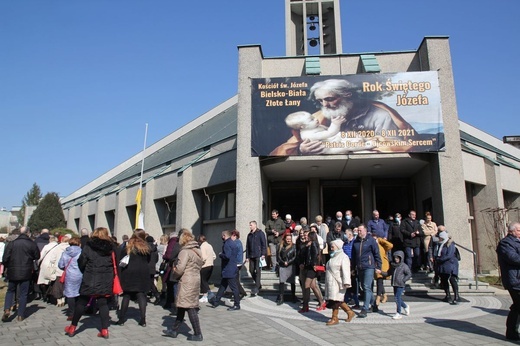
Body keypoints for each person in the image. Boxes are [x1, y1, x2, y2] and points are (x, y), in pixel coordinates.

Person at [270, 78, 414, 155]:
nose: (325, 105)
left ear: (347, 96)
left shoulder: (379, 115)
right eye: (320, 101)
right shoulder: (318, 117)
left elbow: (397, 146)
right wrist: (303, 150)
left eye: (329, 99)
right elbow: (288, 148)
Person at [64, 227, 115, 338]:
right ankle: (105, 329)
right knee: (103, 303)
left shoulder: (88, 246)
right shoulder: (111, 248)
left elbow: (82, 261)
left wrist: (85, 270)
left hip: (90, 277)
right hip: (105, 278)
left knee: (82, 302)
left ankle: (72, 327)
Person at [163, 230, 204, 341]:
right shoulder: (197, 250)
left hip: (186, 281)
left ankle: (198, 333)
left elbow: (180, 269)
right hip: (195, 279)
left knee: (190, 307)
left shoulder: (184, 251)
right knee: (182, 306)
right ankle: (174, 330)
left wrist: (175, 269)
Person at [2, 227, 40, 322]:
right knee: (23, 293)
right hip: (26, 271)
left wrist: (8, 266)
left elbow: (5, 258)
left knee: (10, 291)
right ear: (28, 233)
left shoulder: (12, 243)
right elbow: (37, 256)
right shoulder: (31, 243)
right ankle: (20, 314)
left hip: (13, 270)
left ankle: (7, 308)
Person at [116, 229, 151, 327]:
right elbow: (148, 260)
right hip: (143, 272)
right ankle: (143, 319)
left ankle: (121, 319)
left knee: (126, 295)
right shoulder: (146, 248)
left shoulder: (128, 247)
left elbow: (121, 259)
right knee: (141, 294)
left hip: (129, 272)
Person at [351, 224, 382, 318]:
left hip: (369, 266)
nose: (358, 232)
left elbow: (377, 253)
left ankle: (365, 308)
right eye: (357, 231)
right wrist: (353, 268)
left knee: (366, 286)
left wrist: (379, 266)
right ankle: (374, 304)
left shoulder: (371, 240)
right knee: (364, 287)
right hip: (359, 267)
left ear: (365, 231)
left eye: (360, 230)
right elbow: (354, 256)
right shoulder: (355, 242)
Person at [497, 222, 520, 341]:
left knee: (517, 307)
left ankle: (512, 333)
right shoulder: (505, 243)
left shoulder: (517, 242)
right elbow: (513, 258)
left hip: (517, 279)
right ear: (512, 231)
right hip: (515, 280)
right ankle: (512, 333)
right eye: (519, 230)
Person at [324, 239, 354, 325]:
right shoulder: (332, 257)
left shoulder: (343, 257)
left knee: (336, 300)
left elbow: (346, 271)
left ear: (338, 246)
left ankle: (335, 318)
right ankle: (349, 312)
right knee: (337, 300)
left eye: (333, 246)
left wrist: (346, 282)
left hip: (338, 282)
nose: (331, 248)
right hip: (331, 282)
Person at [210, 230, 240, 311]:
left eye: (222, 236)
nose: (221, 237)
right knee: (222, 286)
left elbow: (227, 256)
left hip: (228, 269)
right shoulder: (233, 243)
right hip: (231, 268)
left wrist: (220, 255)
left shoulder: (227, 244)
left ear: (224, 235)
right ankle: (216, 301)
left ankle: (237, 304)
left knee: (234, 287)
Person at [38, 234, 72, 306]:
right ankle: (64, 298)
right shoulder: (70, 248)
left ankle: (59, 300)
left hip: (58, 269)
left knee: (57, 285)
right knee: (65, 285)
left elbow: (52, 259)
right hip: (67, 269)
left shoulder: (57, 247)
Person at [299, 231, 326, 313]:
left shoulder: (314, 244)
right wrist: (306, 247)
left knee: (307, 285)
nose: (306, 237)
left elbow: (315, 255)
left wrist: (313, 264)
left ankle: (305, 306)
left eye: (308, 236)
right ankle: (322, 302)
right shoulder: (308, 245)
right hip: (309, 267)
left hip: (312, 268)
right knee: (313, 286)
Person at [58, 236, 83, 321]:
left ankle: (71, 313)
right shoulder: (82, 252)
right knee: (79, 293)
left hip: (69, 275)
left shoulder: (65, 253)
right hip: (80, 274)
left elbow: (60, 265)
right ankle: (79, 311)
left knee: (70, 294)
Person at [435, 228, 460, 305]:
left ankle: (456, 296)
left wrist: (440, 259)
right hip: (443, 265)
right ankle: (448, 295)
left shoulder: (450, 244)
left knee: (452, 279)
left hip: (451, 264)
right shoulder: (440, 245)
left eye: (440, 238)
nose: (439, 239)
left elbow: (449, 255)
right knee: (444, 280)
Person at [373, 233, 393, 311]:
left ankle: (378, 297)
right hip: (376, 265)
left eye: (375, 239)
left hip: (383, 264)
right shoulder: (372, 246)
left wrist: (380, 240)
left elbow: (390, 245)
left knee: (379, 280)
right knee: (379, 280)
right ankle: (384, 295)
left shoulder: (381, 245)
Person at [246, 221, 267, 297]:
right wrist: (247, 256)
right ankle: (258, 284)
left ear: (255, 225)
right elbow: (247, 246)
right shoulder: (249, 235)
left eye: (251, 225)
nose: (250, 226)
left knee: (258, 271)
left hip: (258, 255)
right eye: (249, 225)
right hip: (251, 255)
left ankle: (257, 287)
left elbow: (263, 244)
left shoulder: (260, 233)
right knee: (251, 270)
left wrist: (263, 254)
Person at [389, 250, 412, 319]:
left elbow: (409, 274)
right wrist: (381, 272)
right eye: (395, 258)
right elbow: (388, 273)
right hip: (395, 283)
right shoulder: (393, 266)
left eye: (398, 258)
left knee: (397, 298)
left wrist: (403, 280)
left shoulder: (404, 266)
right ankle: (405, 306)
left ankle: (398, 313)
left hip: (400, 284)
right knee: (397, 298)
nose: (396, 259)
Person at [276, 233, 297, 305]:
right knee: (281, 281)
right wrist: (283, 262)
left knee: (292, 282)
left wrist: (288, 262)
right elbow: (278, 255)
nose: (288, 240)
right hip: (282, 265)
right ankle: (281, 297)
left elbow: (295, 256)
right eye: (287, 239)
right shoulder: (280, 246)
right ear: (285, 239)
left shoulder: (294, 246)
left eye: (290, 239)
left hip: (291, 265)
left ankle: (293, 296)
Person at [198, 234, 216, 303]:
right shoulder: (209, 245)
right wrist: (210, 260)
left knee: (203, 281)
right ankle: (206, 295)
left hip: (204, 266)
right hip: (211, 265)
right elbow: (214, 256)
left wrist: (200, 263)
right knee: (205, 281)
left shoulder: (202, 246)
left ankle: (206, 295)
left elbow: (203, 257)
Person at [231, 230, 247, 299]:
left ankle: (241, 292)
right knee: (234, 280)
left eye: (232, 235)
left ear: (235, 235)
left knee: (235, 280)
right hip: (237, 263)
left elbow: (234, 254)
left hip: (236, 264)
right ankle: (240, 292)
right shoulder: (237, 242)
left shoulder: (236, 243)